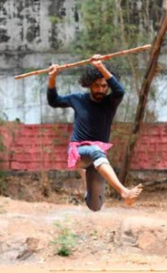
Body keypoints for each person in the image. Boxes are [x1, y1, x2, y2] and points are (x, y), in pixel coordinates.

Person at [47, 55, 143, 211]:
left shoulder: (110, 102)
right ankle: (124, 192)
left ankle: (88, 194)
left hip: (97, 158)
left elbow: (119, 90)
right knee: (95, 151)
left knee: (95, 205)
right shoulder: (77, 99)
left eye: (104, 86)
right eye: (97, 86)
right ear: (89, 85)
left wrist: (100, 67)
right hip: (79, 152)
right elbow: (54, 101)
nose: (100, 89)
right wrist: (52, 77)